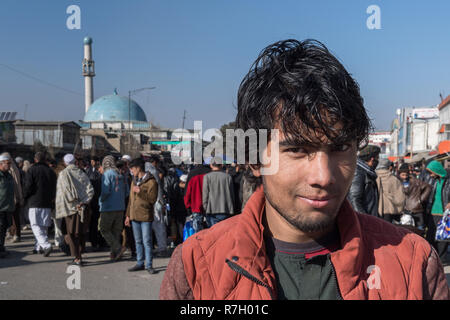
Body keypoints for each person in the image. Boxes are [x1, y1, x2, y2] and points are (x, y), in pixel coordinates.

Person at [160, 39, 449, 300]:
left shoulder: (412, 263)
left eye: (339, 148)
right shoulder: (196, 265)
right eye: (297, 150)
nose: (323, 177)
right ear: (254, 158)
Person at [55, 154, 94, 265]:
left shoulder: (63, 174)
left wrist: (73, 202)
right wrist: (84, 202)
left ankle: (77, 257)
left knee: (71, 233)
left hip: (70, 209)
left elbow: (63, 193)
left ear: (65, 162)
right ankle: (80, 254)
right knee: (80, 232)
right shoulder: (81, 173)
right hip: (83, 207)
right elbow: (90, 190)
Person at [125, 158, 158, 274]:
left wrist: (141, 192)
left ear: (138, 168)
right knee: (137, 241)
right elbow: (130, 200)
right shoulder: (133, 180)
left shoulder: (151, 182)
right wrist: (128, 215)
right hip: (134, 216)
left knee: (147, 241)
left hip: (145, 216)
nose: (131, 171)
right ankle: (140, 263)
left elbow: (152, 200)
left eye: (132, 169)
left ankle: (149, 265)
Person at [23, 152, 57, 257]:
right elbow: (54, 188)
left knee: (35, 225)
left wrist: (24, 196)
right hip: (47, 202)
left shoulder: (32, 170)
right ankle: (38, 247)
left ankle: (46, 245)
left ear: (35, 159)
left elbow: (28, 186)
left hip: (34, 201)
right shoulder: (51, 171)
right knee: (43, 226)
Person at [98, 155, 129, 261]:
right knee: (116, 231)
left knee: (104, 229)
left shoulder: (107, 174)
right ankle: (114, 253)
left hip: (108, 207)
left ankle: (118, 248)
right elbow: (126, 192)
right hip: (120, 207)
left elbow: (105, 191)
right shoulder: (121, 174)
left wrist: (100, 200)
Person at [425, 160, 450, 263]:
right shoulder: (435, 181)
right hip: (433, 212)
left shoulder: (448, 181)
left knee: (442, 238)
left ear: (437, 171)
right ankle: (434, 259)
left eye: (431, 172)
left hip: (443, 213)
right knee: (430, 236)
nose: (430, 175)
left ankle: (442, 259)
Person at [347, 145, 380, 216]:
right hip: (364, 220)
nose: (378, 161)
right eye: (377, 158)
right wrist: (364, 221)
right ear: (372, 159)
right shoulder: (358, 172)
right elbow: (354, 200)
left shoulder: (368, 173)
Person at [146, 155, 169, 258]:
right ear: (154, 162)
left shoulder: (144, 170)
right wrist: (161, 201)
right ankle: (162, 248)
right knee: (159, 226)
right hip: (156, 202)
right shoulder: (153, 172)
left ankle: (150, 249)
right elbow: (158, 188)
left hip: (147, 203)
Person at [398, 163, 431, 232]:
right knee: (406, 231)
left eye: (406, 175)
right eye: (402, 175)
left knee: (419, 230)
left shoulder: (415, 181)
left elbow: (428, 187)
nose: (404, 177)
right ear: (399, 174)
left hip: (417, 209)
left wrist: (420, 199)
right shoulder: (397, 182)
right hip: (404, 211)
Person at [202, 158, 235, 227]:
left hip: (212, 209)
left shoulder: (207, 177)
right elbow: (232, 194)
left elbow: (205, 194)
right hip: (225, 208)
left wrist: (205, 207)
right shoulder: (228, 177)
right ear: (221, 165)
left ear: (211, 165)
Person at [375, 159, 405, 223]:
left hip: (374, 210)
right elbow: (400, 199)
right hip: (390, 212)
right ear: (389, 167)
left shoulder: (372, 176)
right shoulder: (394, 180)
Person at [85, 155, 105, 251]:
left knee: (99, 222)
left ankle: (100, 241)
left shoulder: (100, 172)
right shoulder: (88, 171)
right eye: (92, 161)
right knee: (93, 222)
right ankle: (94, 241)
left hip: (99, 200)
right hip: (92, 201)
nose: (94, 163)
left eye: (95, 161)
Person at [5, 153, 24, 243]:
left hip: (13, 197)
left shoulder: (13, 169)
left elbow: (17, 184)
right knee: (12, 217)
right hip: (10, 197)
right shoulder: (14, 168)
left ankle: (16, 234)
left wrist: (19, 197)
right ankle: (12, 233)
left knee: (14, 217)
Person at [0, 153, 15, 258]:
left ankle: (1, 246)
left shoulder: (9, 175)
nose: (10, 165)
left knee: (4, 228)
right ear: (1, 163)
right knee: (0, 228)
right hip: (0, 207)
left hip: (8, 207)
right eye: (8, 163)